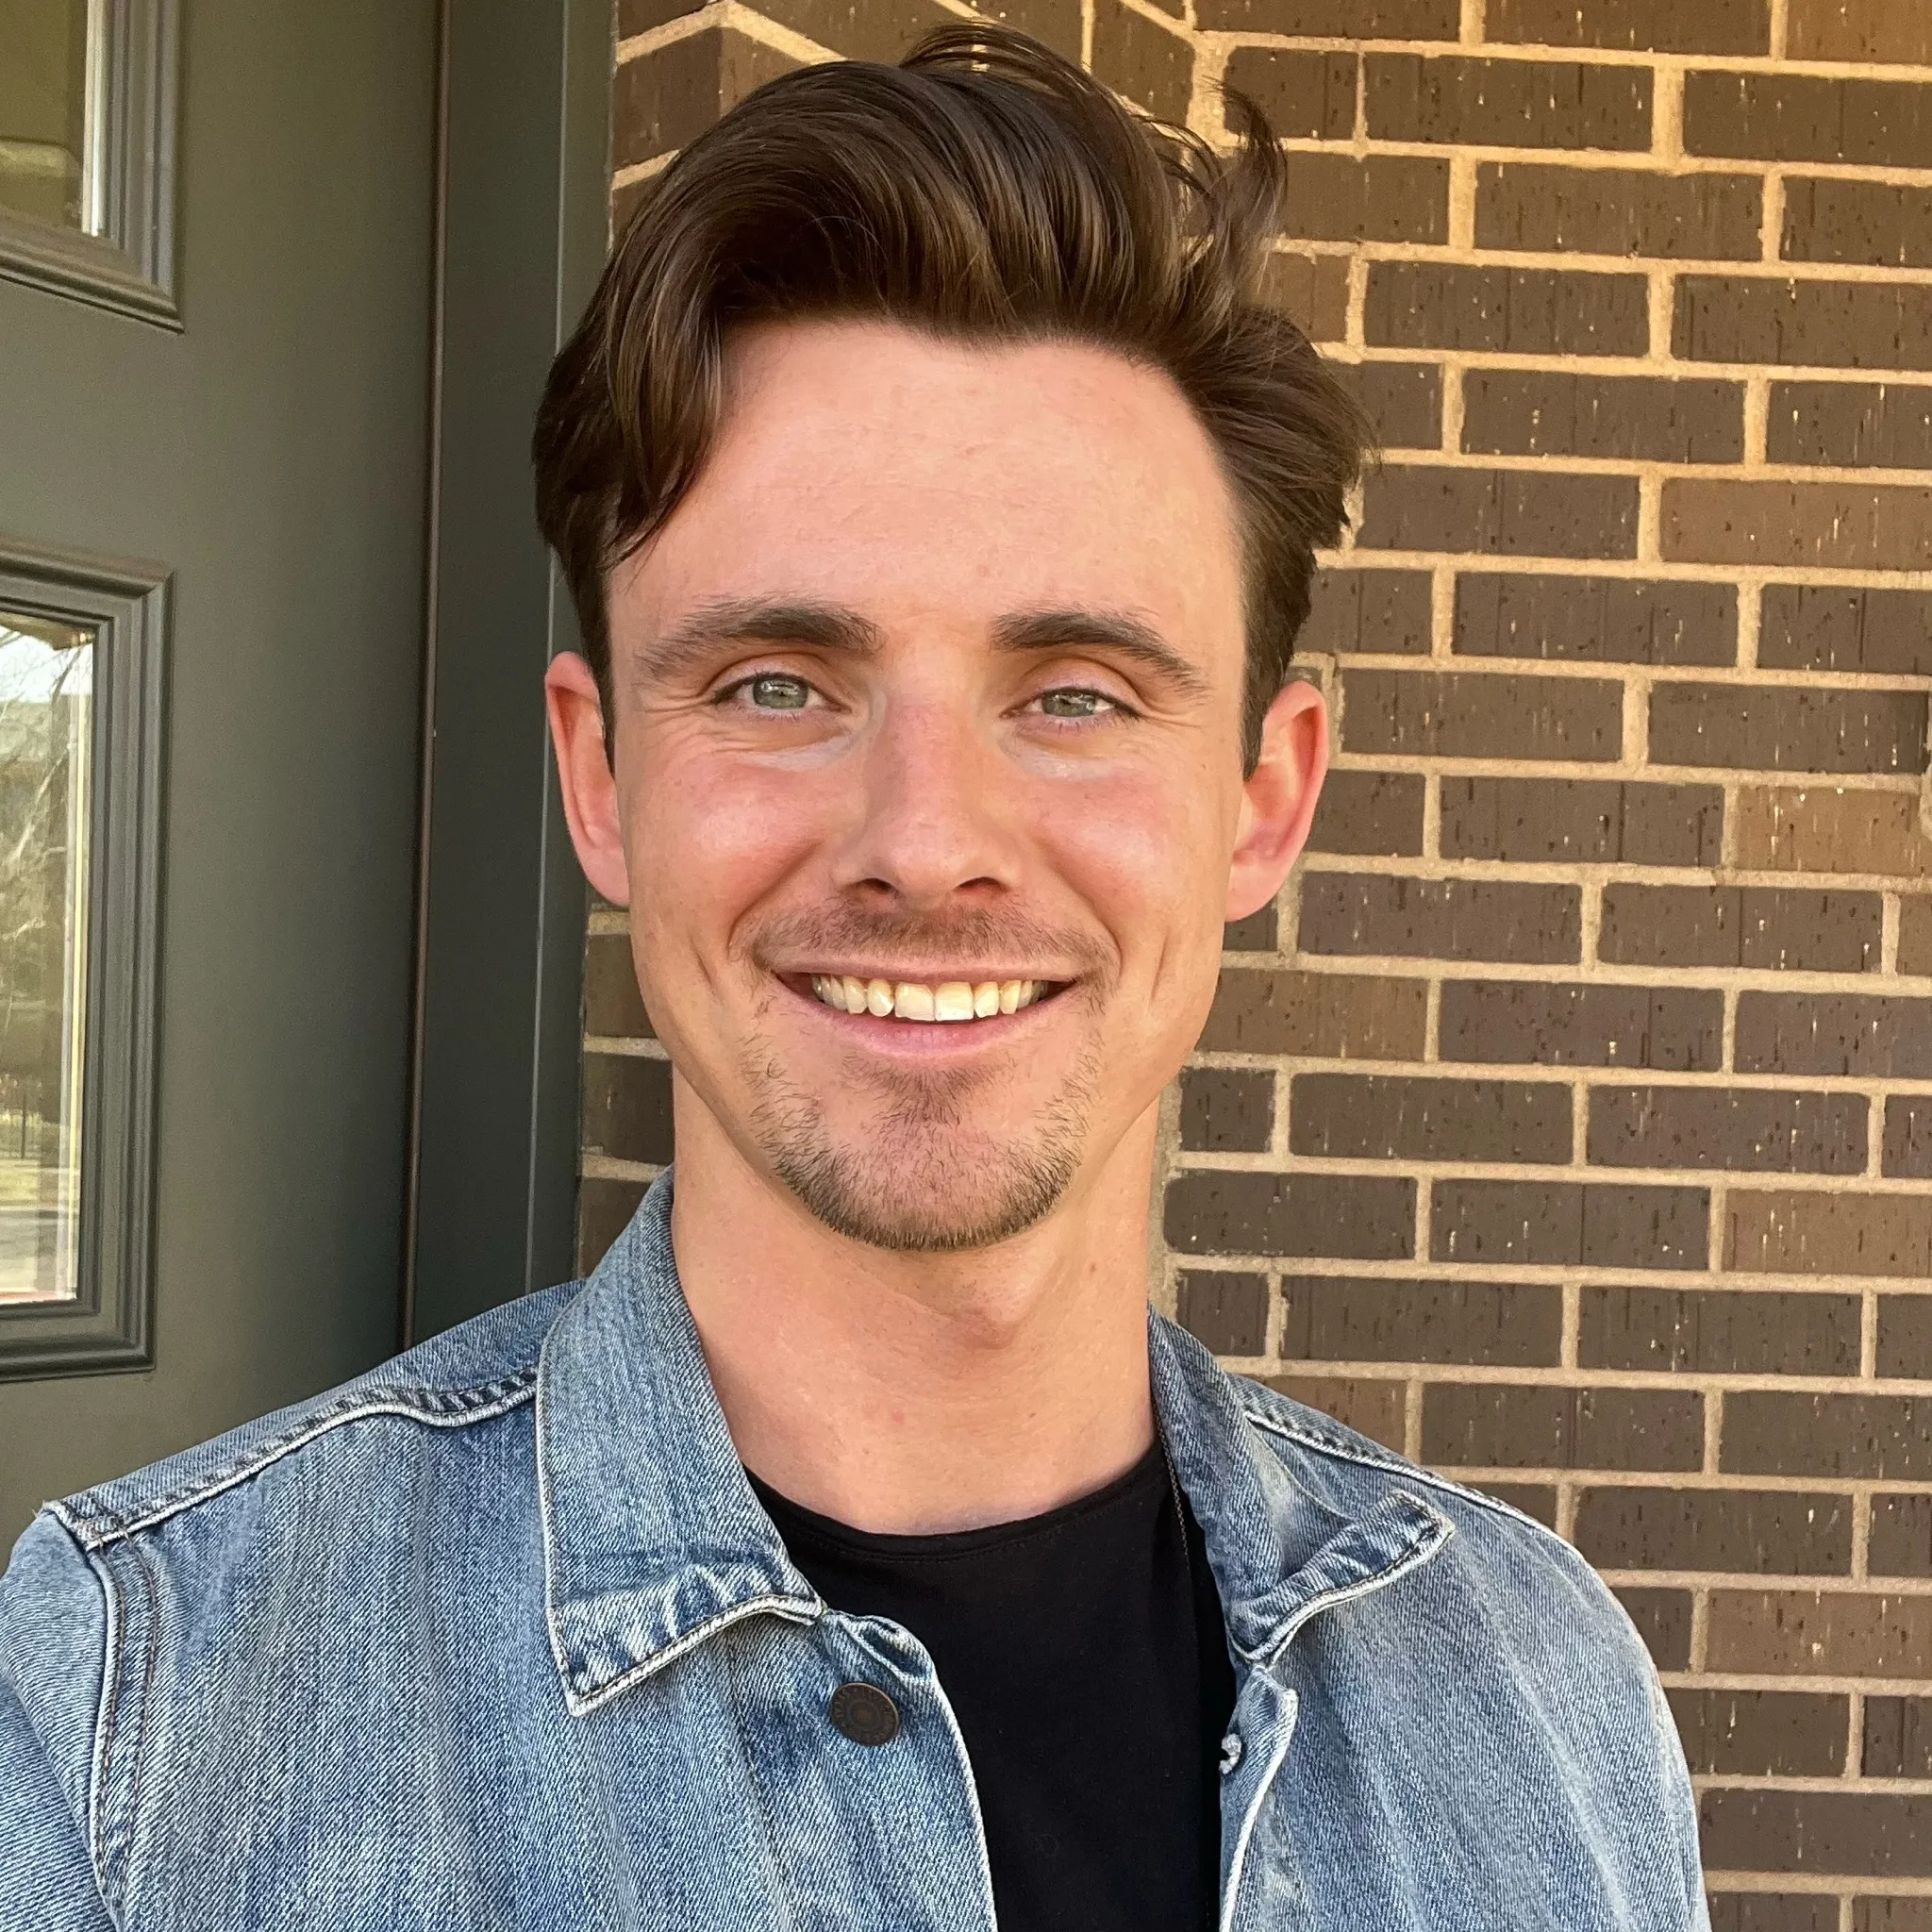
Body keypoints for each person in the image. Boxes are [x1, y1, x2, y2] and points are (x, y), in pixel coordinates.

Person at [0, 25, 1707, 1931]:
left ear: (1260, 796)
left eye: (1074, 694)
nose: (921, 837)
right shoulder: (138, 1700)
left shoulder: (1536, 1694)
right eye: (775, 684)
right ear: (600, 779)